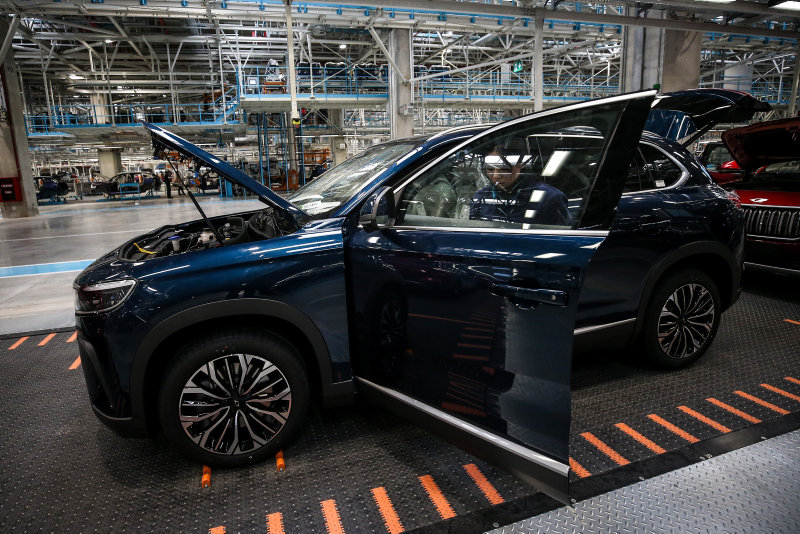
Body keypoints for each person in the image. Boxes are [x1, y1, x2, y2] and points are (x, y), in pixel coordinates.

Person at [470, 147, 571, 227]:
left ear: (520, 165)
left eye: (504, 168)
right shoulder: (481, 197)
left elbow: (564, 239)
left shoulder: (549, 197)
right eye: (490, 169)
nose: (496, 176)